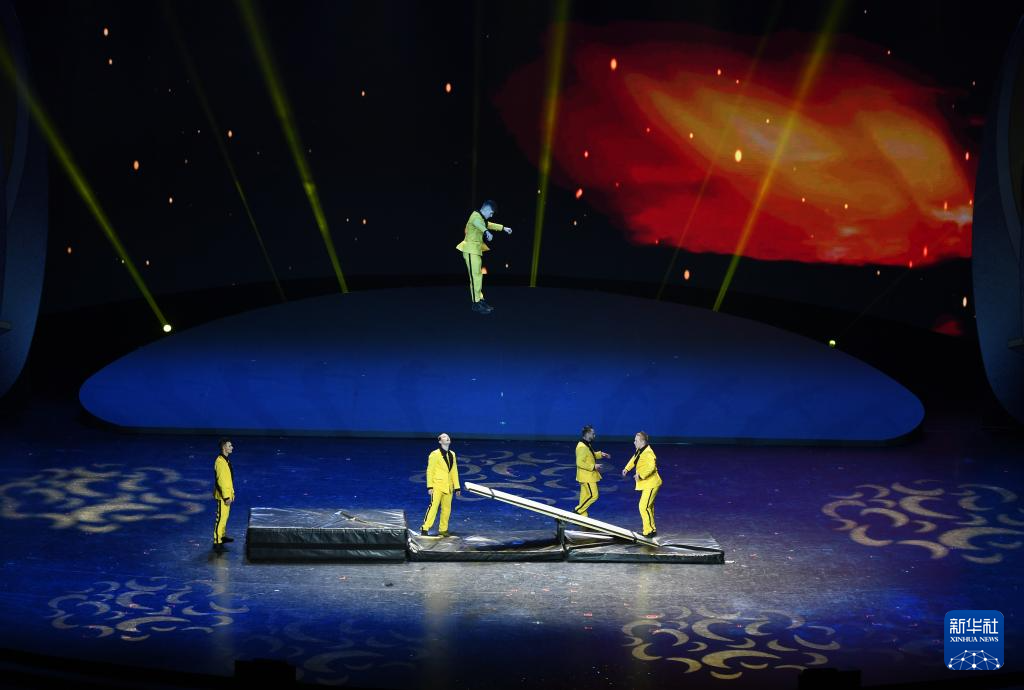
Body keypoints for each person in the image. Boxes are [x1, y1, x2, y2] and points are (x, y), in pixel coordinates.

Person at [456, 200, 511, 314]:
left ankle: (480, 300)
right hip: (470, 250)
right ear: (486, 209)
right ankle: (475, 303)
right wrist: (486, 232)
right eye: (491, 213)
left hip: (476, 251)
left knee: (478, 276)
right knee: (474, 277)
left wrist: (503, 228)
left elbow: (488, 224)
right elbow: (478, 224)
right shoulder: (475, 216)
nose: (491, 215)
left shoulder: (481, 218)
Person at [420, 433, 461, 537]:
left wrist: (457, 487)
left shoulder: (452, 454)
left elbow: (454, 471)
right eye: (444, 437)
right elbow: (430, 470)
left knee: (447, 509)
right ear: (440, 441)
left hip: (449, 486)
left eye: (447, 436)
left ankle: (443, 529)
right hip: (437, 485)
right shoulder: (434, 454)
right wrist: (430, 486)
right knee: (433, 507)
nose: (447, 438)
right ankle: (425, 527)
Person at [621, 431, 661, 537]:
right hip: (648, 484)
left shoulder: (648, 452)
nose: (634, 442)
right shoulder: (640, 450)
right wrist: (627, 468)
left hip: (651, 484)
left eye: (636, 440)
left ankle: (648, 531)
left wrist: (641, 475)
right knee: (648, 507)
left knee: (643, 506)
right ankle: (651, 529)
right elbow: (634, 459)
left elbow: (651, 467)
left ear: (642, 442)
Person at [574, 425, 610, 517]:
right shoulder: (582, 447)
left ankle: (582, 516)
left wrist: (601, 454)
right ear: (587, 434)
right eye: (593, 434)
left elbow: (590, 455)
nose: (594, 435)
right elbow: (579, 463)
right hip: (587, 477)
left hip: (585, 476)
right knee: (593, 495)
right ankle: (576, 512)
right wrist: (593, 466)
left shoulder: (586, 444)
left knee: (585, 497)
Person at [212, 438, 235, 551]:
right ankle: (217, 542)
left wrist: (231, 493)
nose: (232, 448)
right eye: (230, 446)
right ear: (224, 447)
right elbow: (221, 481)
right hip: (223, 496)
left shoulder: (226, 460)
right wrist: (226, 497)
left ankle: (222, 536)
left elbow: (228, 480)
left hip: (227, 495)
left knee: (224, 517)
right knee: (220, 518)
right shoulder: (220, 462)